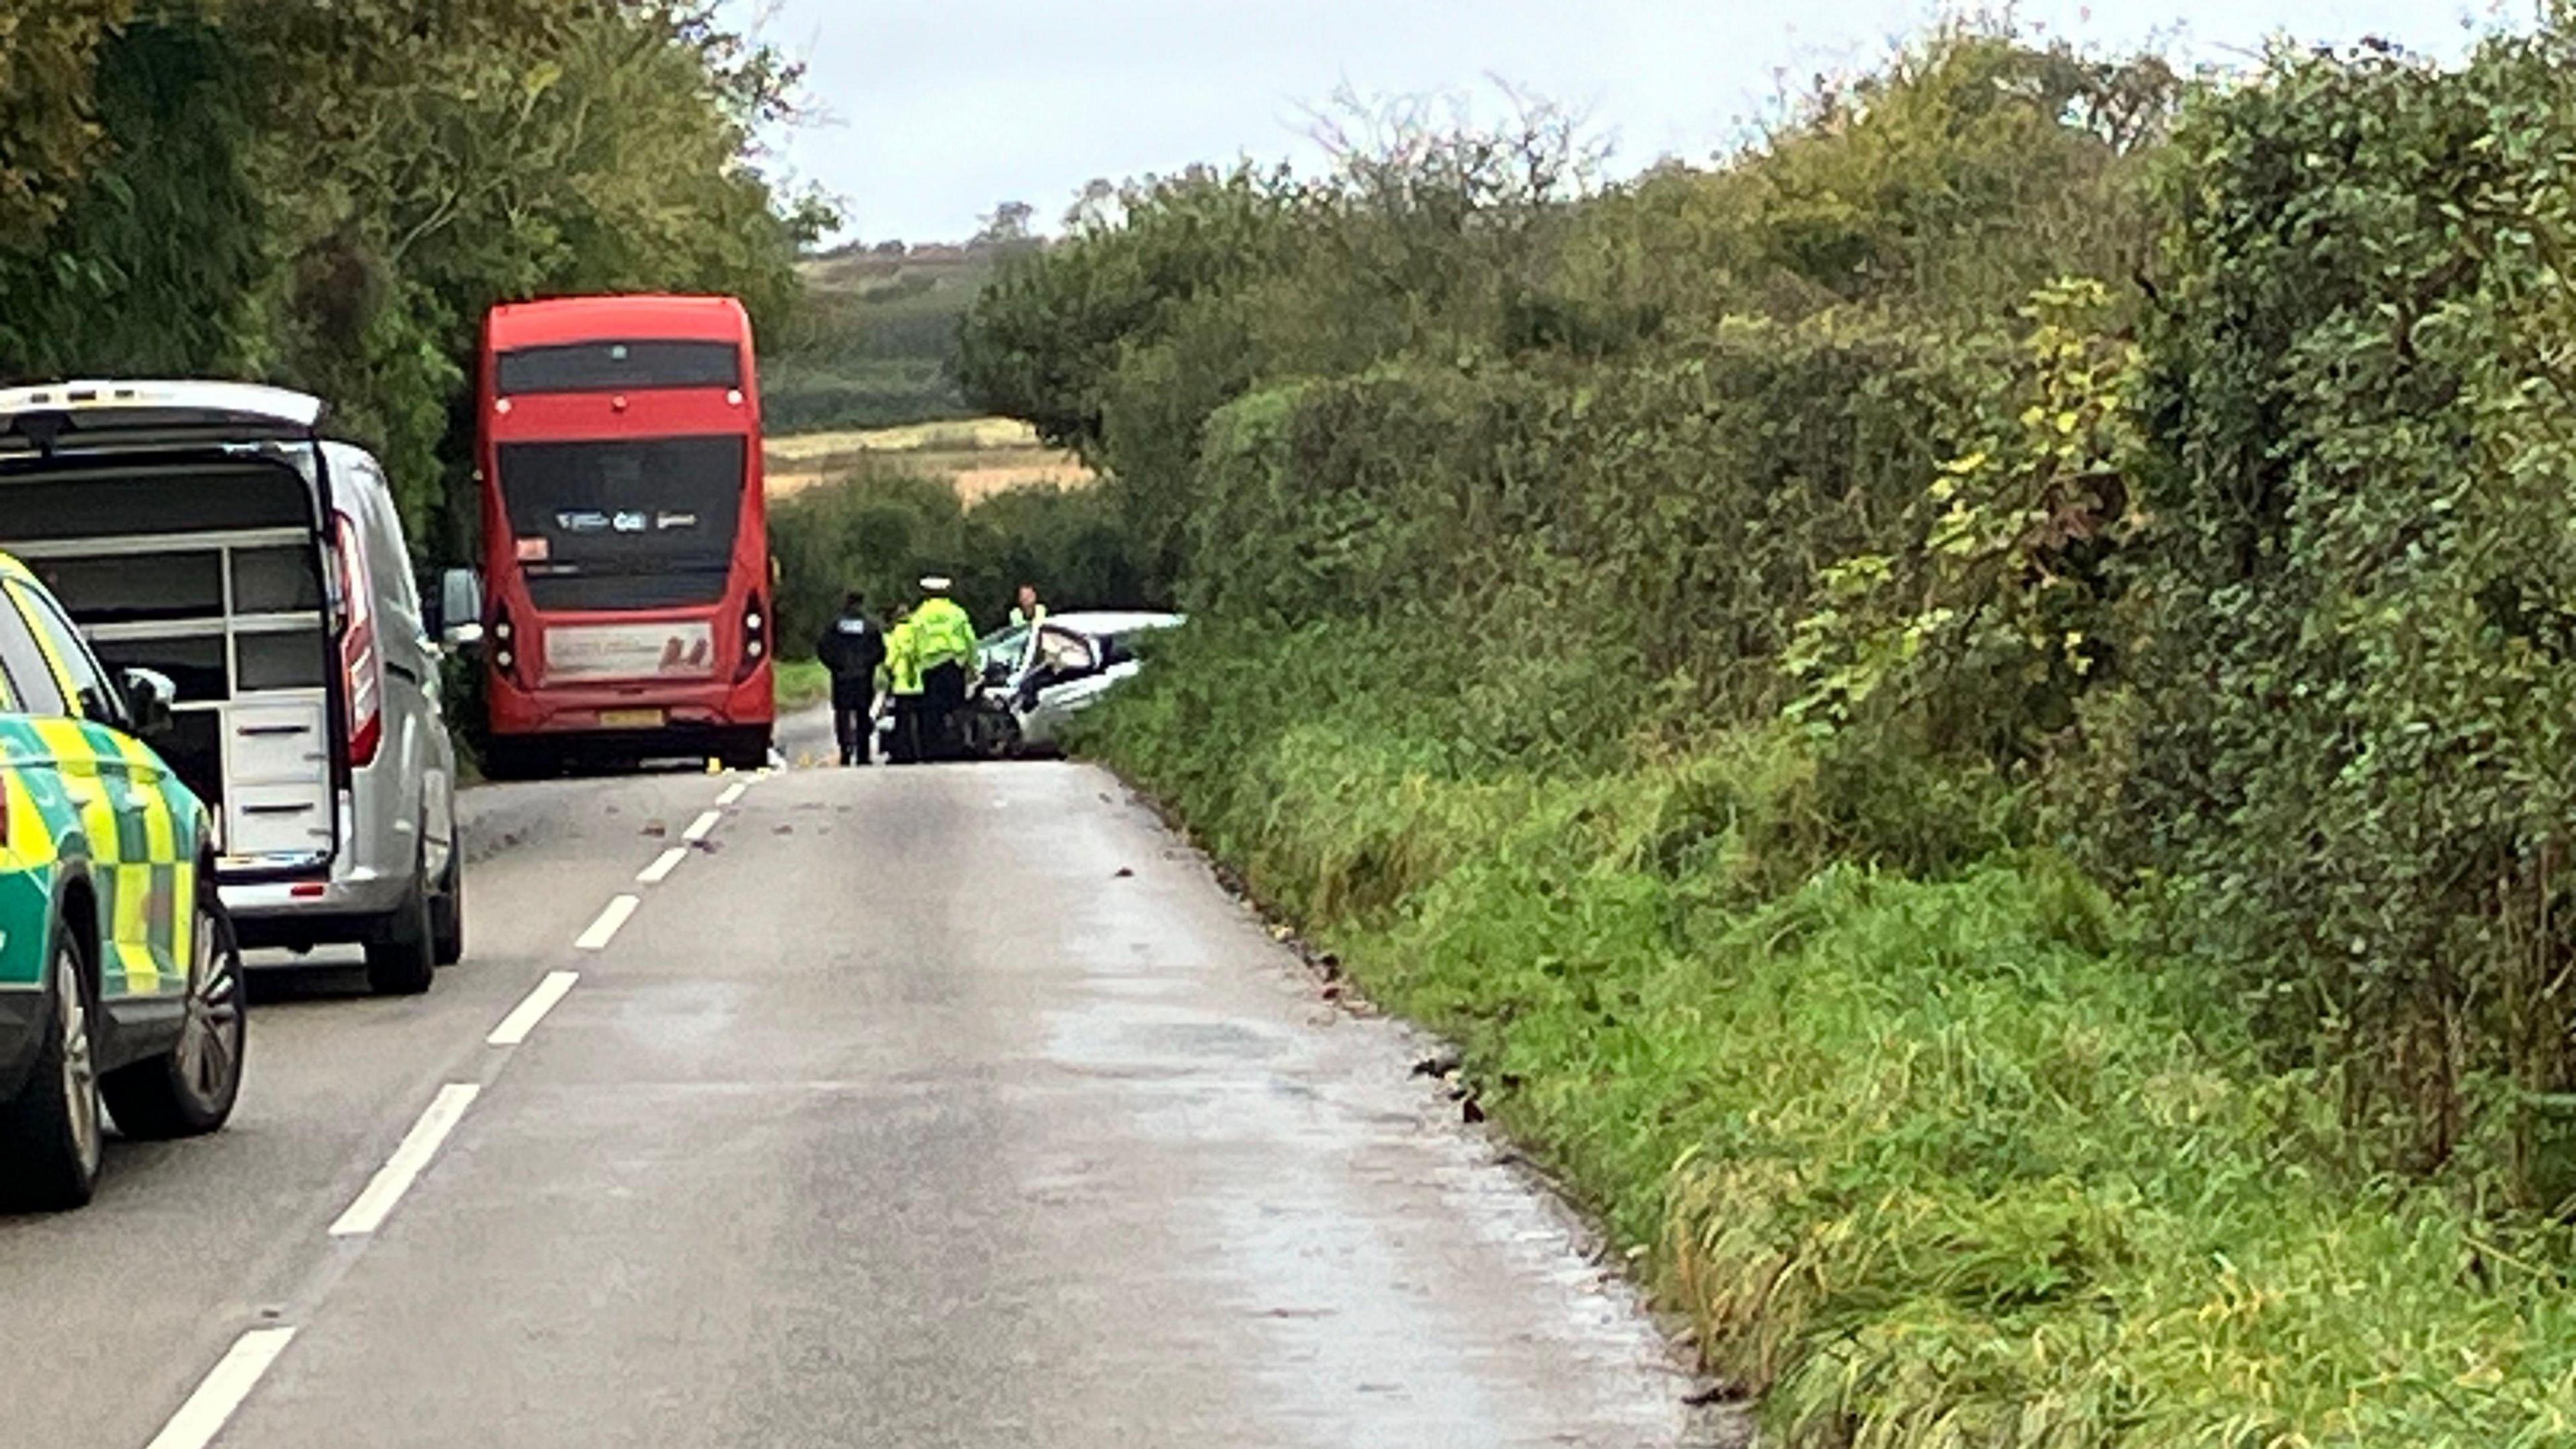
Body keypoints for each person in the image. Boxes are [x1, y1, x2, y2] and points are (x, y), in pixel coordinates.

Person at [908, 575, 980, 761]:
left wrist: (914, 665)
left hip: (929, 669)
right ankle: (959, 746)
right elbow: (970, 640)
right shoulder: (957, 613)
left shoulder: (919, 615)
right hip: (953, 665)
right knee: (956, 708)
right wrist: (973, 665)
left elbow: (912, 643)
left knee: (930, 712)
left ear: (925, 593)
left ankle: (930, 751)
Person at [816, 590, 886, 766]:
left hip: (841, 677)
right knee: (863, 714)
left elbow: (823, 649)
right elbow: (880, 651)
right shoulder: (870, 626)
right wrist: (868, 665)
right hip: (863, 677)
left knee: (842, 714)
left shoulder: (835, 626)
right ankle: (863, 753)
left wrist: (835, 666)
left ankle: (845, 750)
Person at [879, 603, 924, 764]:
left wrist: (888, 670)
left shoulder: (896, 634)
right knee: (918, 720)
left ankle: (902, 753)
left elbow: (891, 659)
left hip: (902, 682)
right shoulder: (918, 632)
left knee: (902, 721)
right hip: (917, 682)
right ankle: (919, 752)